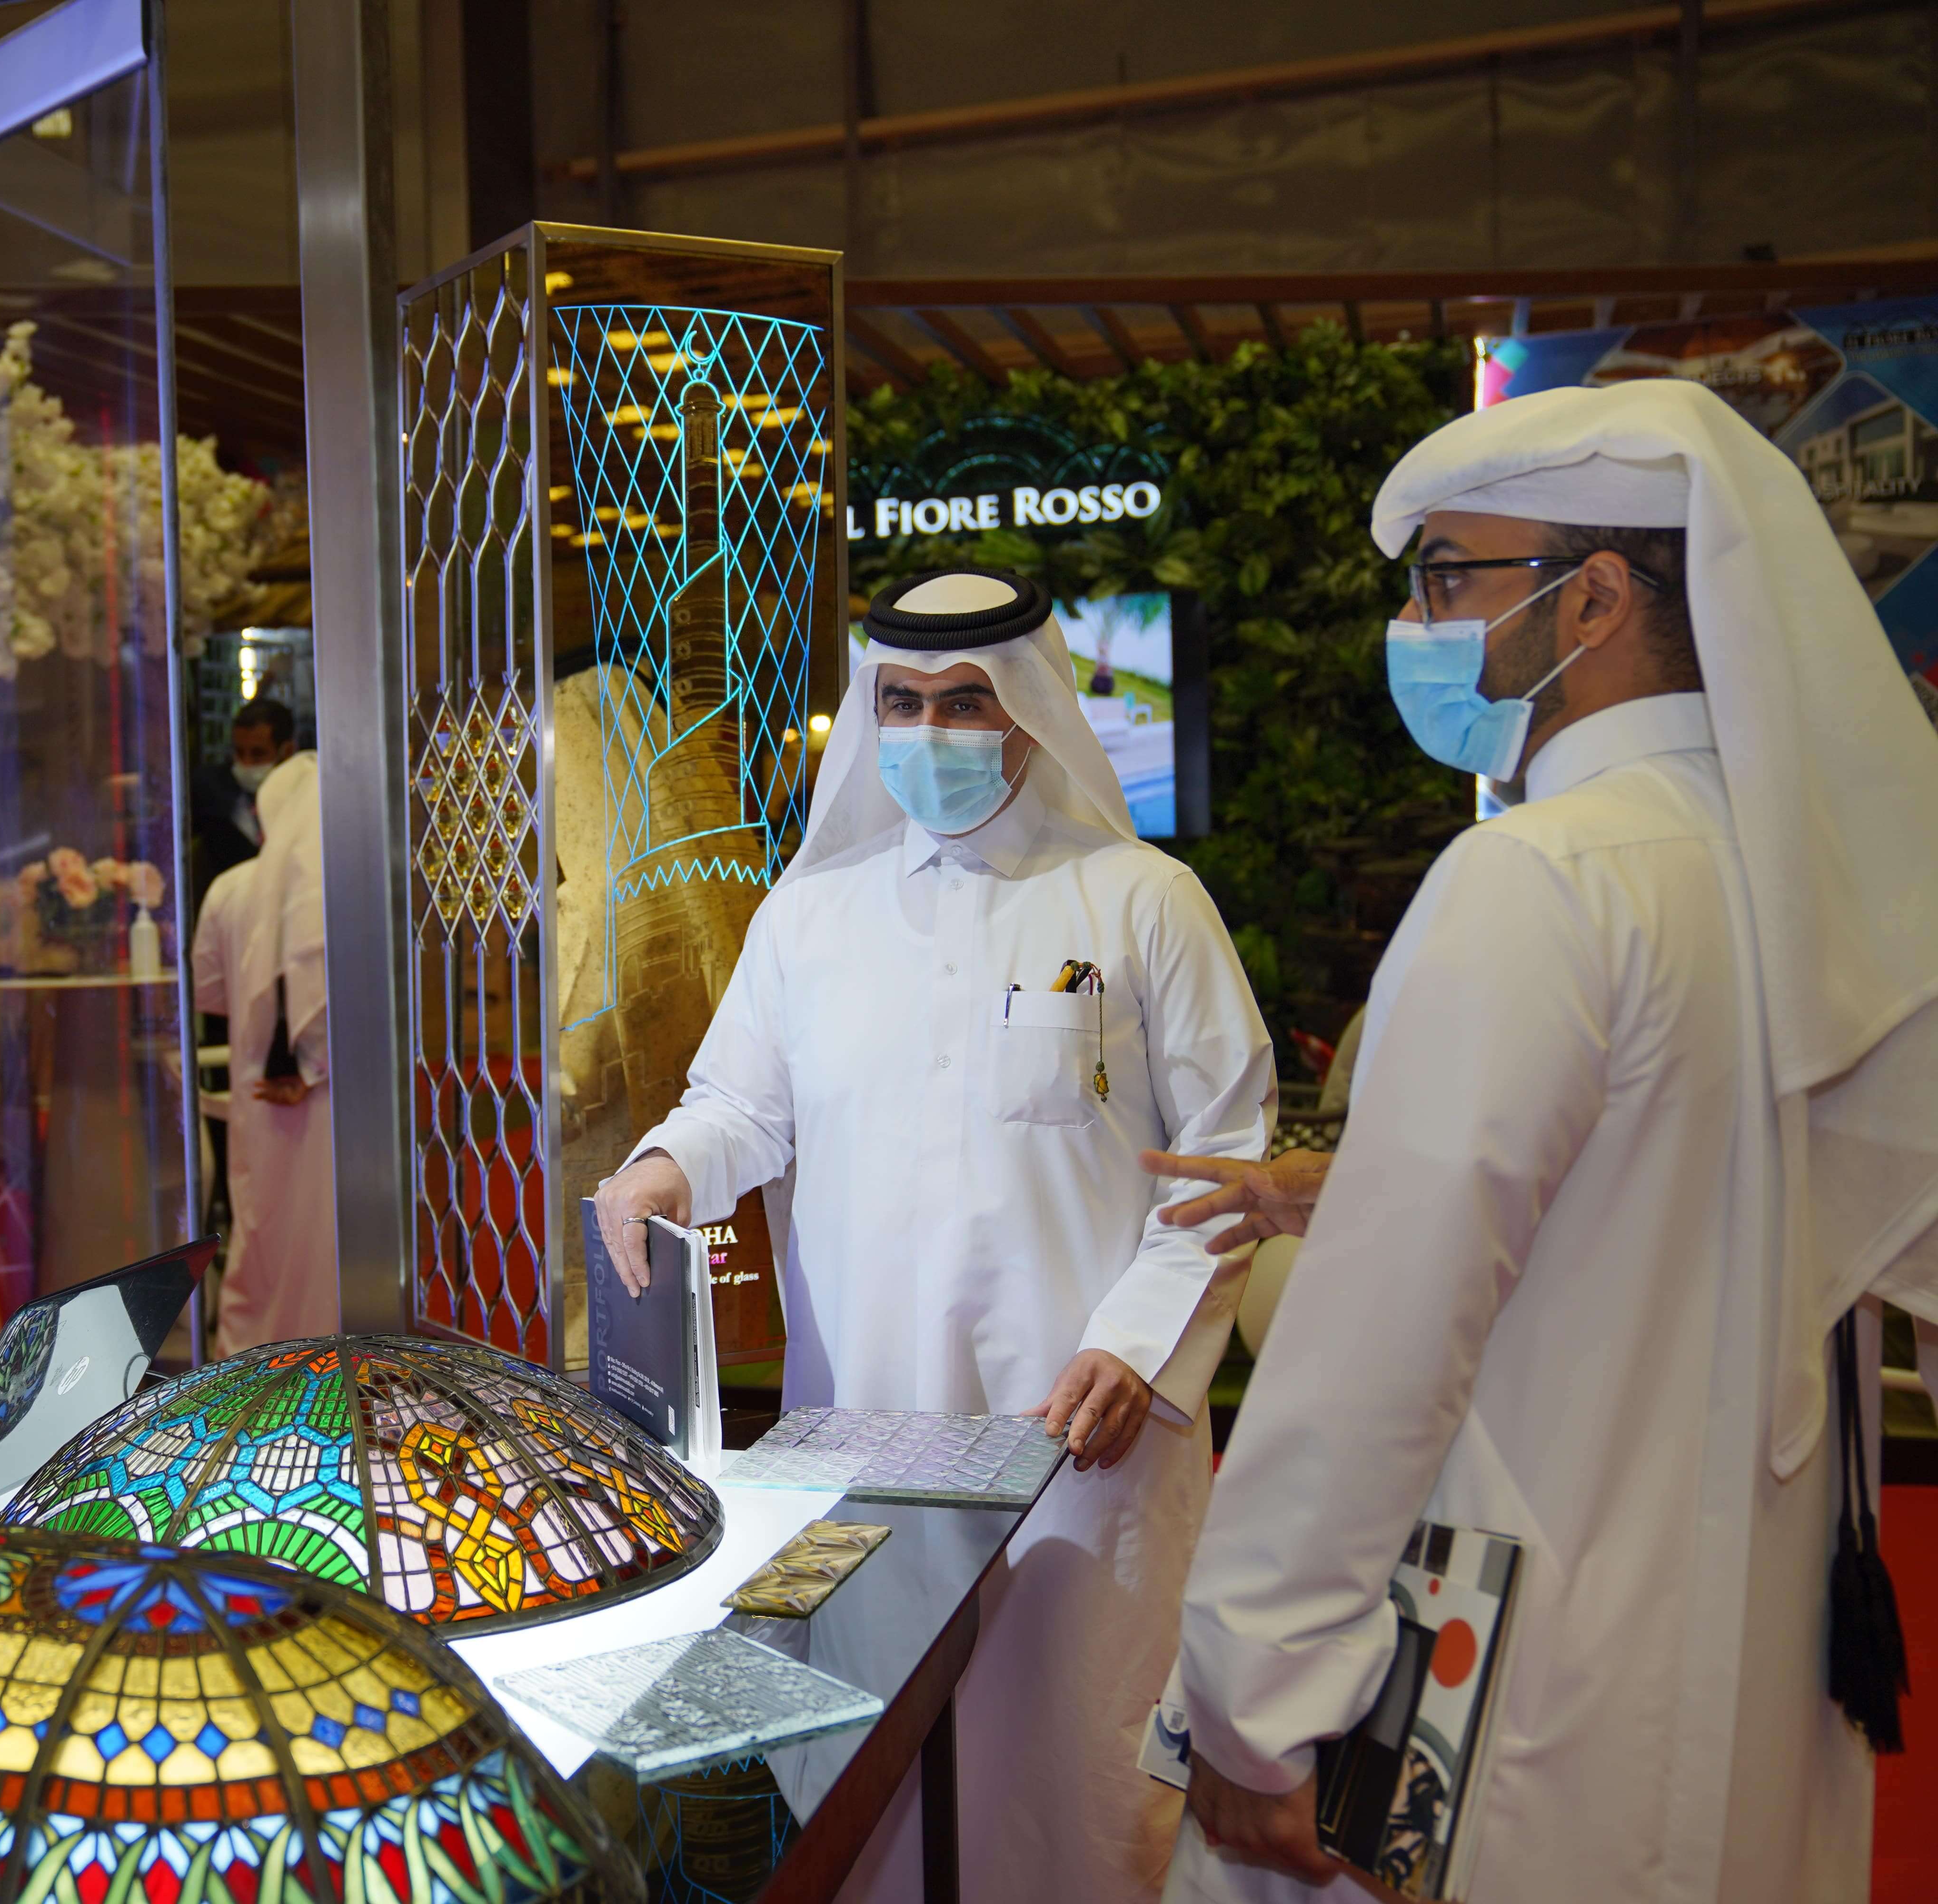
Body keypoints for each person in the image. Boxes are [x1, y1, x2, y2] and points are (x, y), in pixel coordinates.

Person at [1156, 378, 1938, 1903]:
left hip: (1524, 1672)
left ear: (1593, 599)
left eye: (1451, 577)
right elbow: (1721, 1186)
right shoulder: (1799, 872)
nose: (1418, 623)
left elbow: (1380, 1340)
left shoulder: (1545, 874)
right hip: (1746, 1649)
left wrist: (1255, 1693)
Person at [594, 568, 1276, 1903]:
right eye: (900, 703)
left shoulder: (1141, 900)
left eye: (965, 701)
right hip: (866, 1429)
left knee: (1074, 1771)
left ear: (1029, 710)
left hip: (1079, 1437)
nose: (930, 730)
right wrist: (667, 1167)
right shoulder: (812, 914)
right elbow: (741, 1105)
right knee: (874, 1780)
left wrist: (1138, 1349)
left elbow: (1228, 1161)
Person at [189, 748, 337, 1351]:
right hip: (335, 1102)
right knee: (330, 1242)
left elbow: (209, 991)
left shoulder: (229, 888)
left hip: (259, 1101)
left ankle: (250, 1375)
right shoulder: (344, 892)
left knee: (261, 1239)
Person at [185, 694, 298, 922]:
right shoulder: (210, 789)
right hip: (231, 914)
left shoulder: (305, 794)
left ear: (286, 752)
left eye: (258, 754)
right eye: (239, 753)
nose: (246, 763)